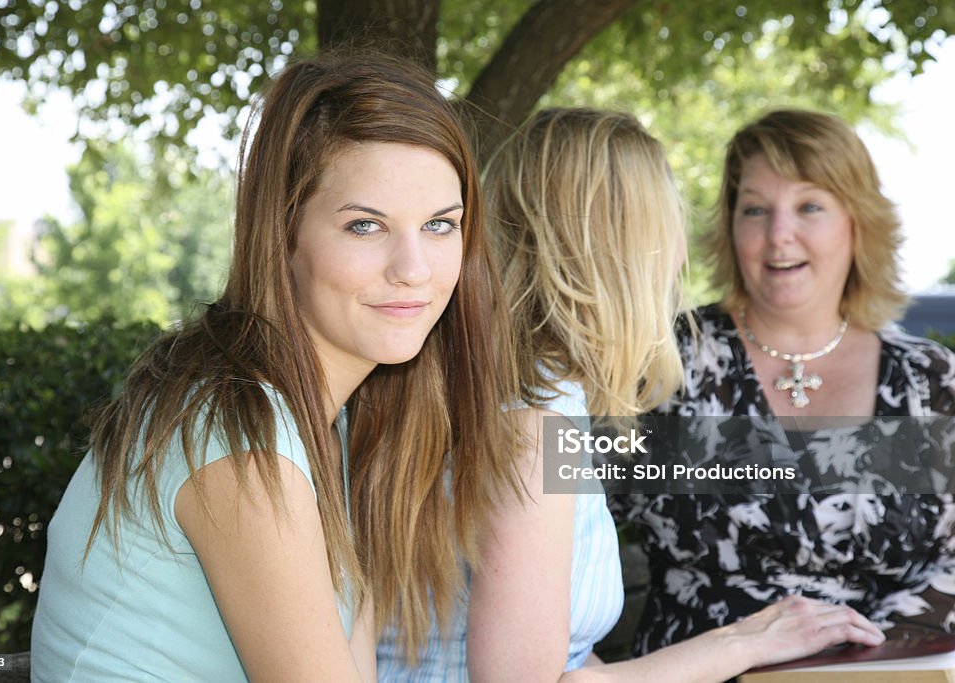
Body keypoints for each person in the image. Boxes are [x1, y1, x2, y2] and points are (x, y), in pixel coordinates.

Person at [30, 51, 522, 682]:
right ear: (283, 233)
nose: (414, 269)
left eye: (439, 225)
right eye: (366, 226)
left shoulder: (326, 422)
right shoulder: (238, 431)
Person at [376, 107, 885, 682]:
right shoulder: (533, 419)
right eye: (665, 227)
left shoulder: (522, 389)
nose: (677, 257)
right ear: (619, 249)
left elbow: (554, 654)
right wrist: (739, 644)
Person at [611, 108, 955, 659]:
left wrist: (858, 657)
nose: (779, 235)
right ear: (729, 225)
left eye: (809, 206)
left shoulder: (930, 381)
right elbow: (554, 514)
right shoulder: (662, 363)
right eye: (755, 210)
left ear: (857, 221)